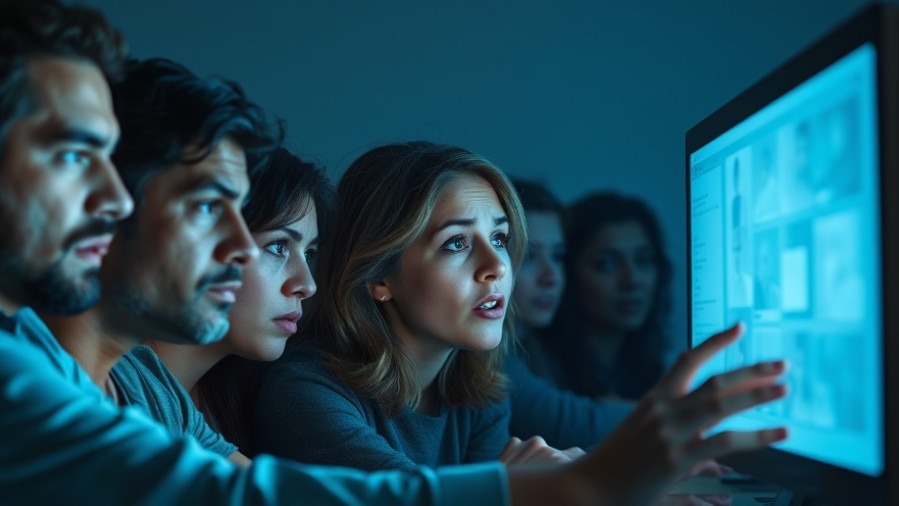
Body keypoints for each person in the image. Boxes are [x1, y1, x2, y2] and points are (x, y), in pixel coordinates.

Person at [0, 2, 789, 504]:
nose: (243, 252)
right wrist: (583, 485)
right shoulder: (31, 372)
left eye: (501, 240)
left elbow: (247, 486)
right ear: (378, 275)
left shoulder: (97, 378)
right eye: (73, 158)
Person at [254, 142, 584, 470]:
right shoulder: (304, 393)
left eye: (499, 239)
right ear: (379, 278)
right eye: (457, 243)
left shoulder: (479, 395)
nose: (496, 266)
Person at [42, 56, 283, 465]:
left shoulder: (144, 378)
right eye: (207, 207)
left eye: (238, 211)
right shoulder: (28, 401)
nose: (242, 247)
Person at [149, 147, 335, 454]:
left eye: (309, 254)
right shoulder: (110, 393)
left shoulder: (234, 400)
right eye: (278, 247)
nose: (307, 285)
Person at [506, 179, 633, 450]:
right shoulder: (485, 354)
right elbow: (573, 425)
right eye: (528, 257)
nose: (551, 277)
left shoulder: (533, 347)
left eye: (558, 256)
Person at [549, 192, 673, 401]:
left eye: (643, 260)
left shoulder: (652, 367)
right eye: (607, 264)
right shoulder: (542, 373)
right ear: (568, 273)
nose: (632, 280)